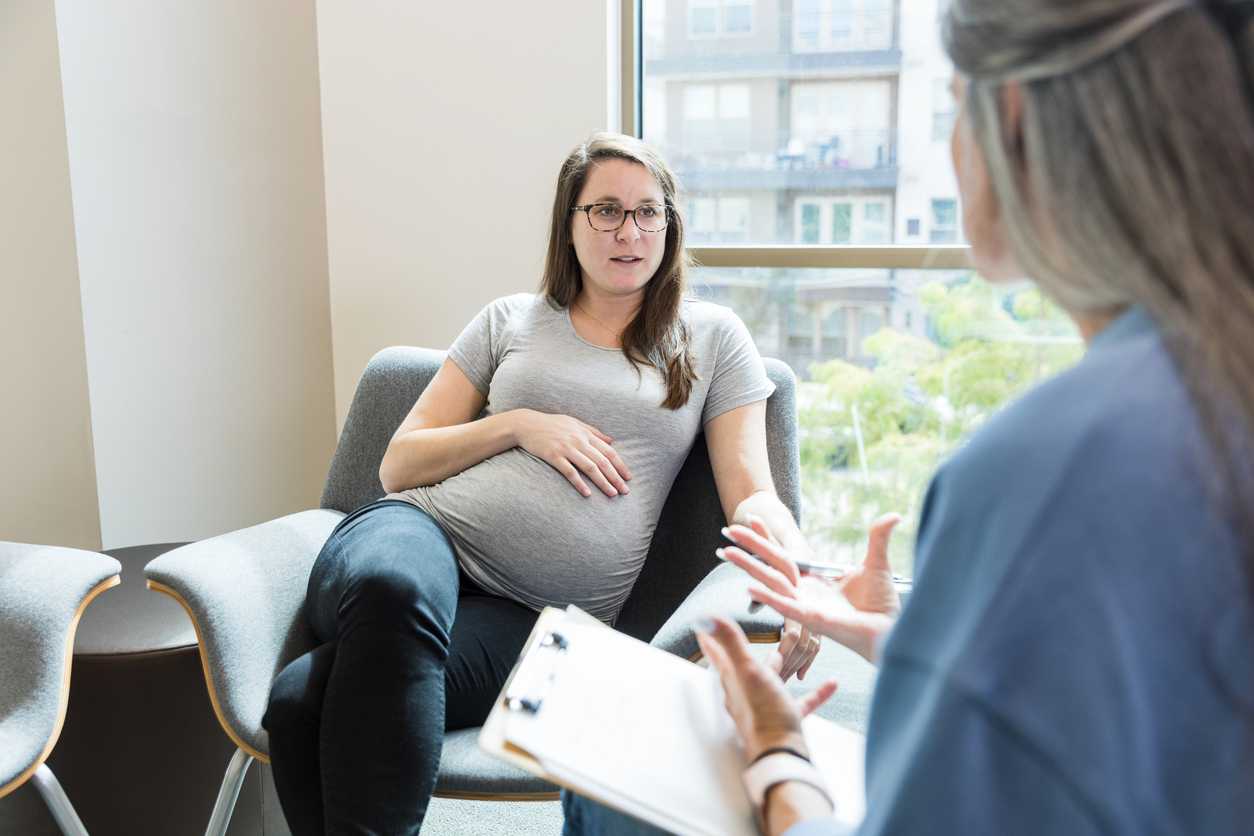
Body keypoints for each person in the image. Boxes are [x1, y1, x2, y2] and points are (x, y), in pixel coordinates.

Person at [563, 0, 1254, 833]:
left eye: (956, 99)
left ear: (1014, 120)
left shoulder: (1054, 469)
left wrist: (781, 749)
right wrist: (923, 645)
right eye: (606, 211)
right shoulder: (1206, 387)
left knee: (604, 786)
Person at [259, 132, 824, 835]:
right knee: (396, 591)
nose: (630, 230)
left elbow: (754, 493)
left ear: (670, 225)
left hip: (537, 621)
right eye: (607, 211)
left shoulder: (710, 338)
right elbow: (398, 464)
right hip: (416, 534)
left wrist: (795, 579)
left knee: (297, 701)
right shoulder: (508, 320)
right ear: (570, 222)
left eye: (650, 212)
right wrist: (521, 423)